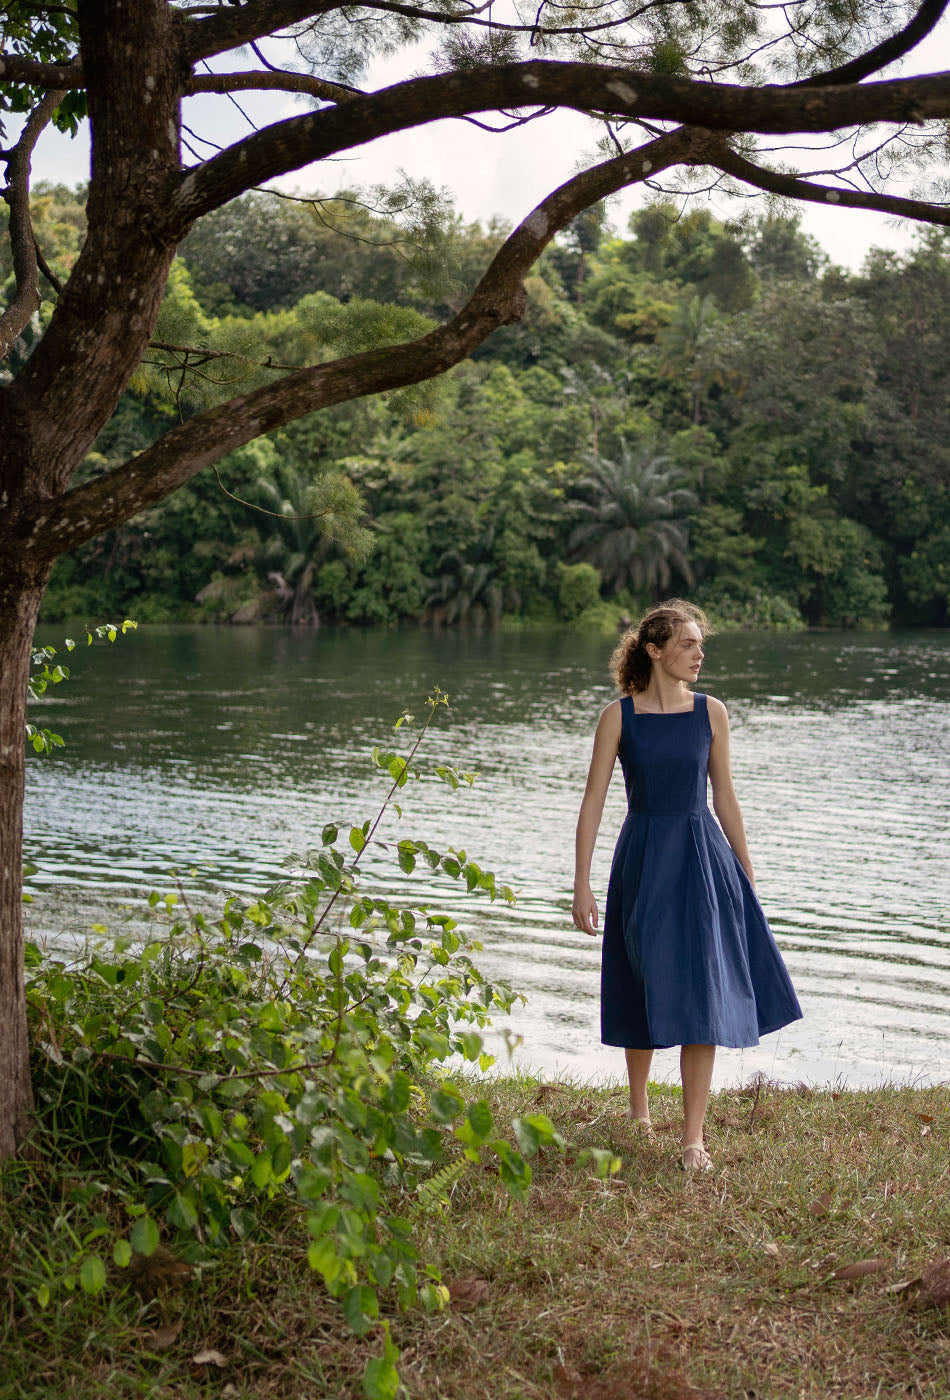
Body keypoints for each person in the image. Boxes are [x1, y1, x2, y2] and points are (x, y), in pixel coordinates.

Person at [572, 599, 802, 1172]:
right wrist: (581, 883)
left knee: (703, 989)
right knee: (642, 971)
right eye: (688, 644)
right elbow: (594, 801)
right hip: (644, 857)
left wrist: (745, 873)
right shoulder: (618, 717)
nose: (700, 654)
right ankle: (639, 1108)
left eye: (701, 645)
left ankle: (693, 1139)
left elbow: (724, 797)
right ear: (654, 650)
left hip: (703, 858)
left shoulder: (712, 713)